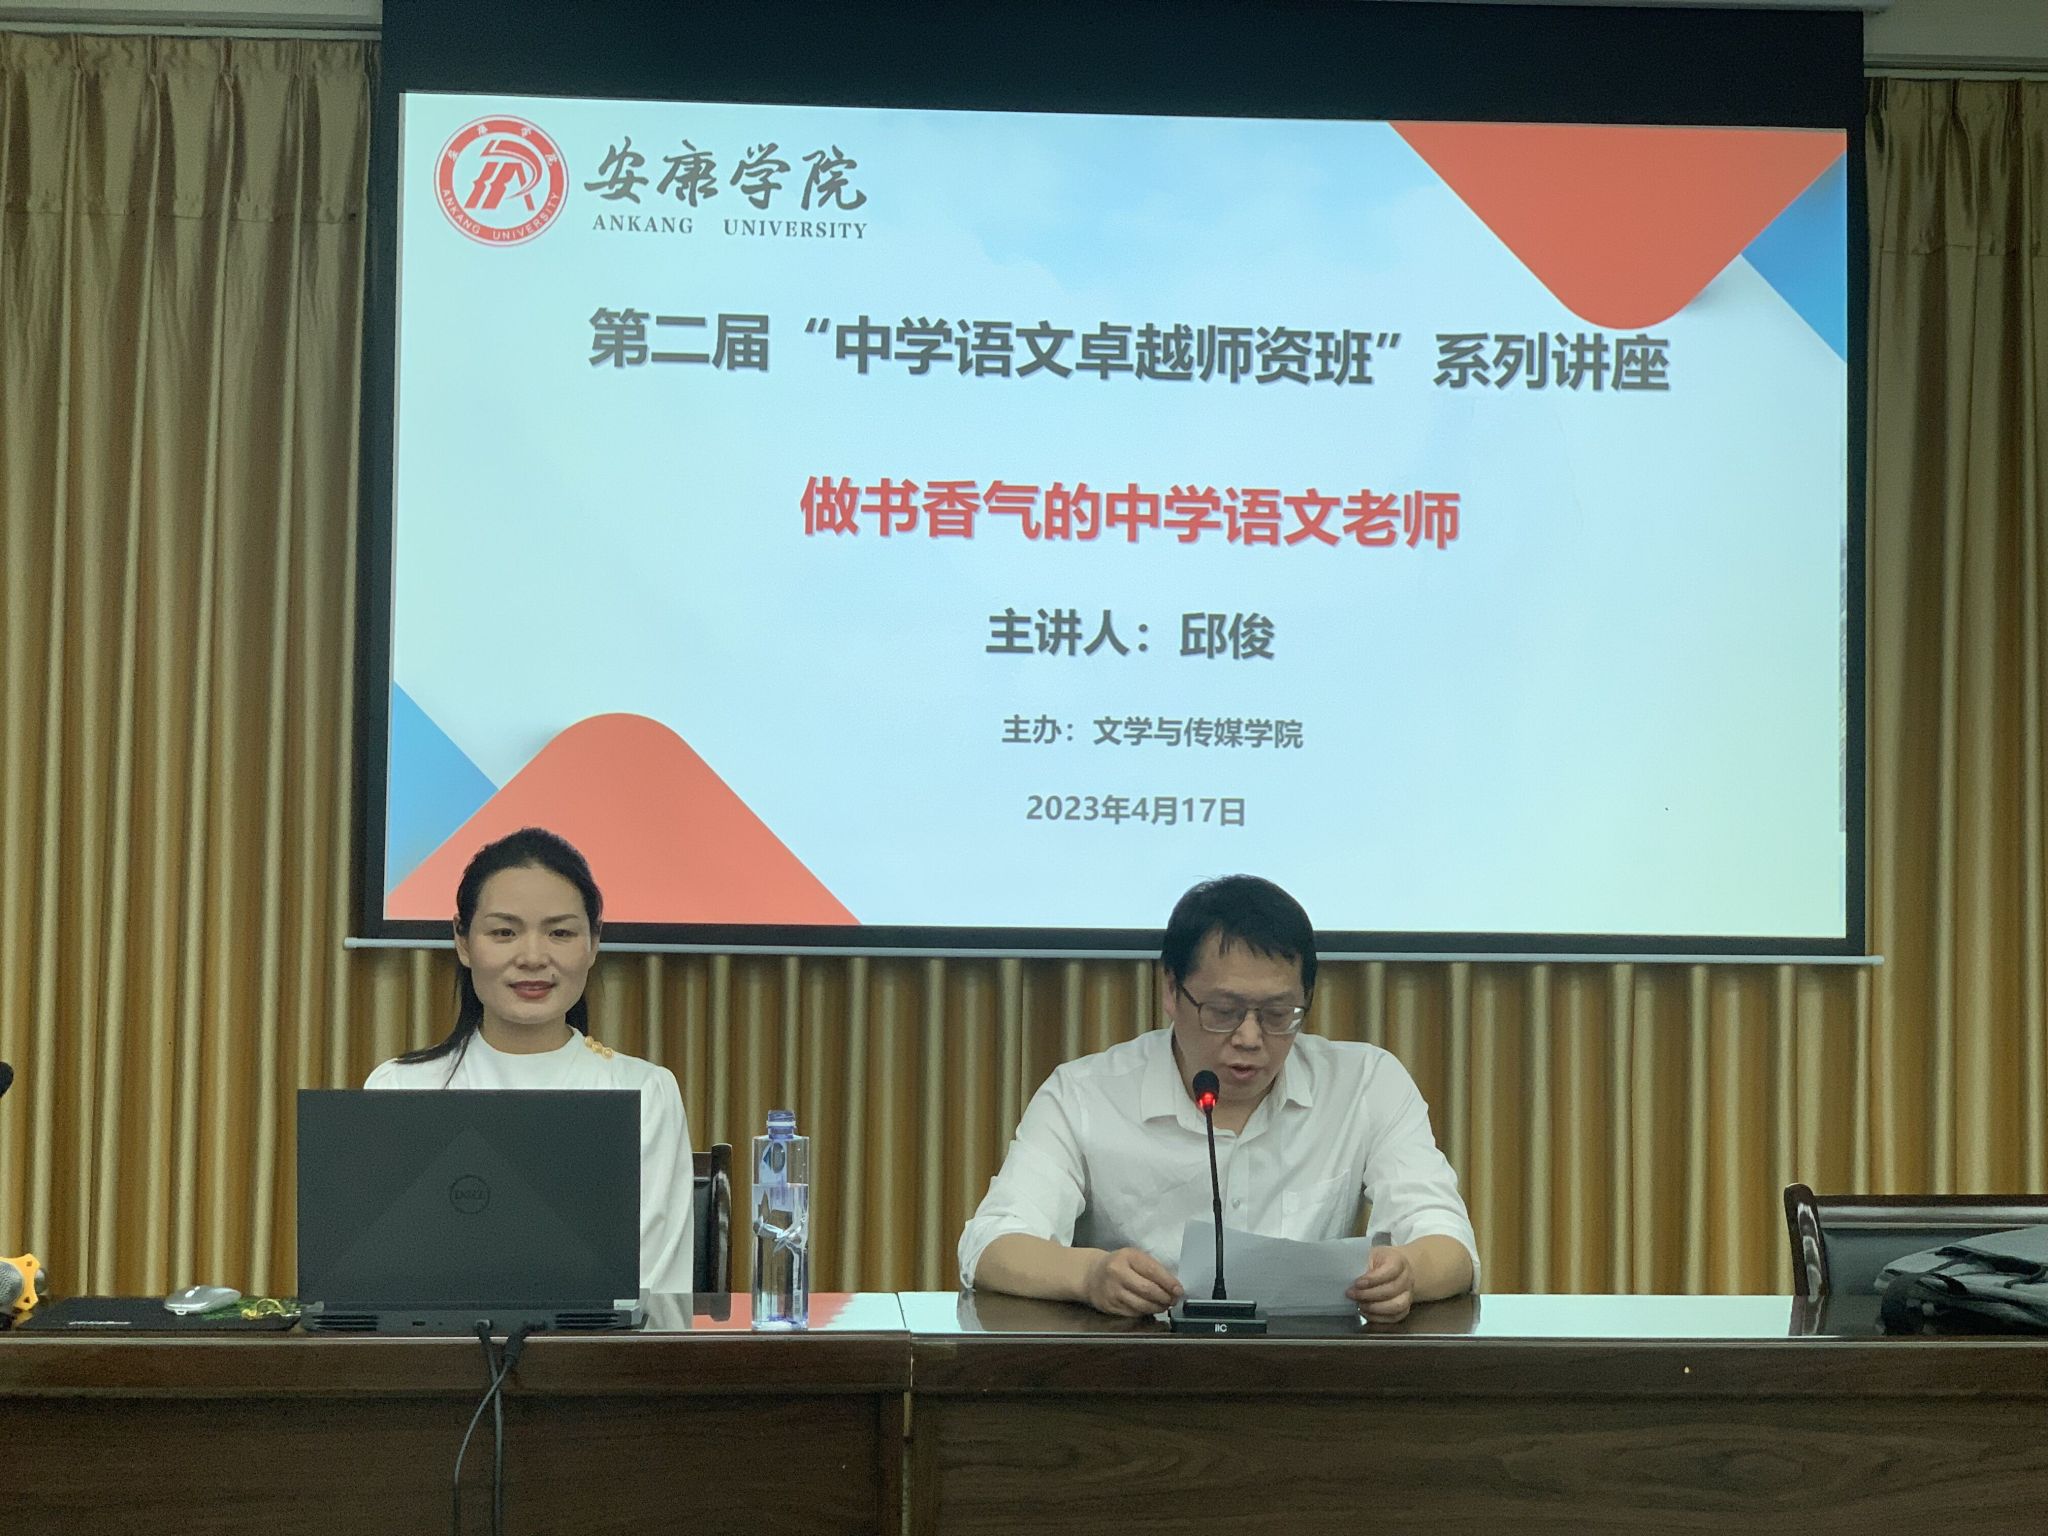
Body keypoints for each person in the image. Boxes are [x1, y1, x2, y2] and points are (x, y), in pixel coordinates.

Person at [959, 874, 1477, 1319]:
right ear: (1171, 990)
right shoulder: (1085, 1094)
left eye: (1278, 1014)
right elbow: (991, 1246)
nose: (1250, 1037)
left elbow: (1448, 1241)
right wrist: (1089, 1275)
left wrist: (1409, 1272)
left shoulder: (1365, 1083)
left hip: (1310, 1370)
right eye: (1224, 1011)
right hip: (1138, 1372)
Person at [366, 827, 695, 1295]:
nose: (533, 957)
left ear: (593, 942)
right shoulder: (400, 1090)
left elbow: (655, 1287)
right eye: (504, 932)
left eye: (560, 933)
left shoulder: (645, 1093)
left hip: (605, 1344)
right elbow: (381, 1277)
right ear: (463, 941)